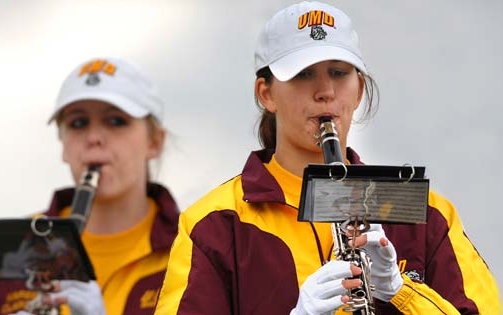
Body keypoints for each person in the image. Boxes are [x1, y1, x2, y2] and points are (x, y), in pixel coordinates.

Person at [154, 2, 500, 314]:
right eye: (304, 74)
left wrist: (401, 292)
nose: (326, 92)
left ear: (359, 89)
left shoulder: (427, 215)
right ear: (266, 94)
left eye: (339, 72)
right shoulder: (213, 225)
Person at [0, 57, 180, 315]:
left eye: (116, 121)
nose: (94, 138)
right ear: (63, 144)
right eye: (78, 123)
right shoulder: (3, 250)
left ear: (155, 141)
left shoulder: (195, 249)